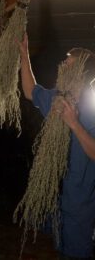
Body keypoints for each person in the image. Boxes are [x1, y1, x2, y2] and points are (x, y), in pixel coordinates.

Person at [17, 33, 95, 260]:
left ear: (81, 72)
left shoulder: (92, 109)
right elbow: (30, 91)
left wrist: (73, 123)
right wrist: (24, 55)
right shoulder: (58, 100)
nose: (62, 65)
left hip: (82, 209)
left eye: (68, 62)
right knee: (62, 251)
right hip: (59, 203)